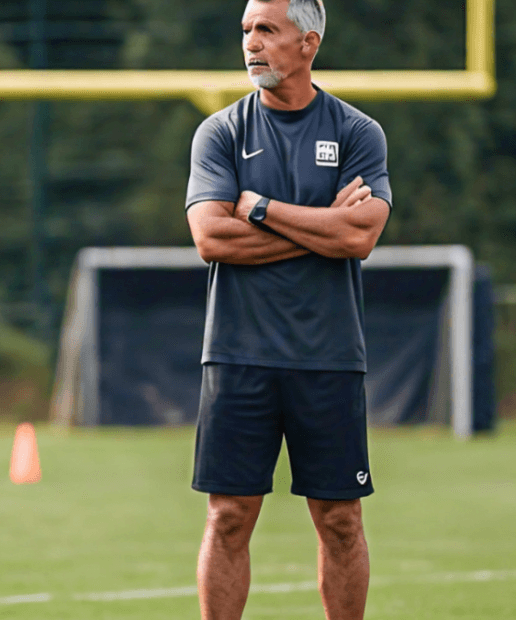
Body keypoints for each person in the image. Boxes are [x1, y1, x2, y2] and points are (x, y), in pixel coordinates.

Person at [184, 0, 391, 618]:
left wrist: (260, 208)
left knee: (341, 521)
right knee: (227, 517)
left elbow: (359, 239)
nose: (250, 42)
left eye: (266, 30)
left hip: (328, 357)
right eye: (246, 30)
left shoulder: (358, 132)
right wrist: (321, 223)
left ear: (308, 42)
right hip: (237, 356)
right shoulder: (220, 132)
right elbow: (210, 239)